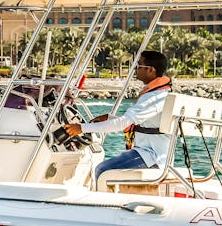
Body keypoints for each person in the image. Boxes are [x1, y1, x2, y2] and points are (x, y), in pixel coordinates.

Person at [63, 50, 172, 183]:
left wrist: (82, 128)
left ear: (151, 70)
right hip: (151, 153)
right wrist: (109, 118)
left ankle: (104, 203)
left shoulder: (153, 98)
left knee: (102, 170)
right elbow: (136, 124)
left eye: (139, 66)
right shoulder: (161, 93)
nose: (135, 70)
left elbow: (123, 123)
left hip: (151, 157)